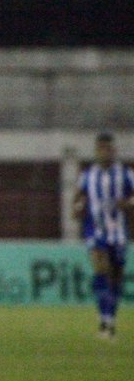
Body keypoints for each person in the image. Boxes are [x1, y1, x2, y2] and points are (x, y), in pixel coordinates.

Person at [72, 132, 134, 339]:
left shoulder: (125, 174)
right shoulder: (88, 175)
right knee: (101, 268)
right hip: (95, 230)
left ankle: (109, 321)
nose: (104, 152)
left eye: (108, 148)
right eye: (100, 149)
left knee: (115, 278)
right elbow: (78, 198)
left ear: (113, 150)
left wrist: (126, 204)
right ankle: (103, 318)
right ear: (96, 151)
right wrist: (76, 208)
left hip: (118, 233)